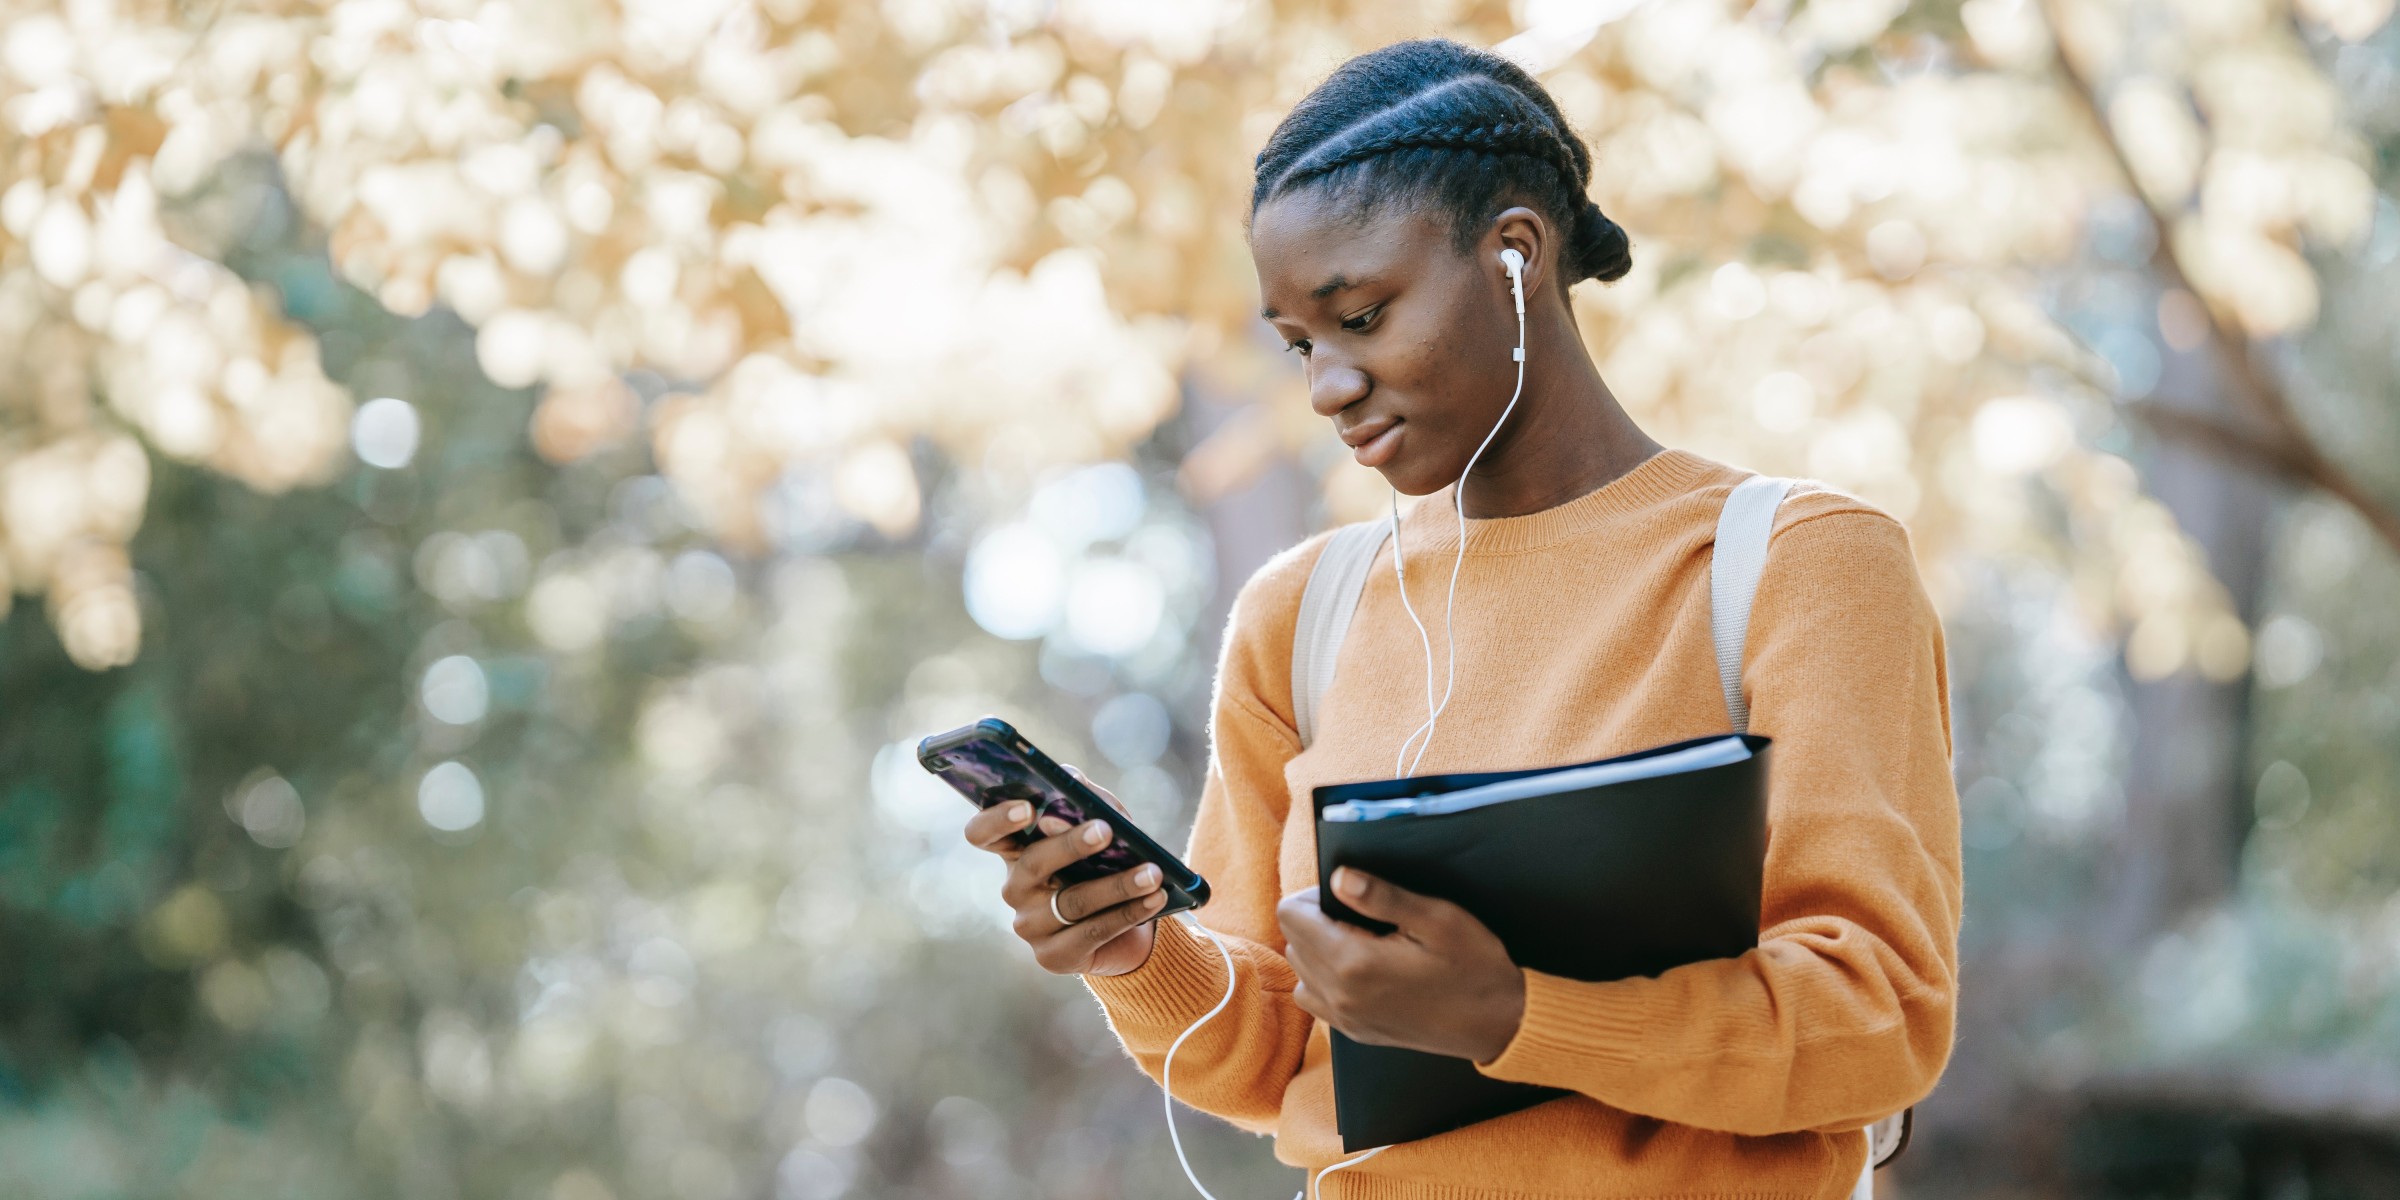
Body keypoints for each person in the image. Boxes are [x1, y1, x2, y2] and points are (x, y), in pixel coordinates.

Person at [961, 36, 1961, 1200]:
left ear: (1516, 256)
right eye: (1299, 345)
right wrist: (1135, 951)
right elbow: (1268, 1058)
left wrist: (1515, 1014)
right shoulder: (1302, 615)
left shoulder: (1794, 565)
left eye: (1364, 316)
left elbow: (1879, 1021)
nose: (1329, 385)